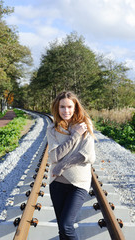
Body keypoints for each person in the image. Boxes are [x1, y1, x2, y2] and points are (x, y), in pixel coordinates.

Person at [46, 91, 96, 240]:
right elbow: (54, 156)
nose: (66, 111)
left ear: (75, 107)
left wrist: (61, 166)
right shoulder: (52, 130)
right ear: (57, 108)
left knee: (67, 225)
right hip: (57, 183)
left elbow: (87, 156)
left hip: (78, 184)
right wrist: (75, 136)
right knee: (62, 229)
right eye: (62, 107)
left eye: (69, 106)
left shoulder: (85, 125)